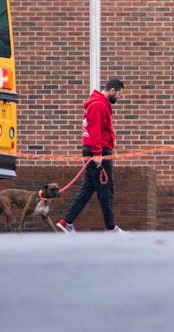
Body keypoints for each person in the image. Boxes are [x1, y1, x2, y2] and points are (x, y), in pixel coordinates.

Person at [56, 77, 126, 234]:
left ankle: (67, 222)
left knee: (88, 188)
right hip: (98, 153)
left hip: (96, 152)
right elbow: (95, 131)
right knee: (106, 190)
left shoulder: (98, 104)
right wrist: (98, 154)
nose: (119, 97)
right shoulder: (99, 105)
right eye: (119, 94)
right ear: (112, 91)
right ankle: (110, 228)